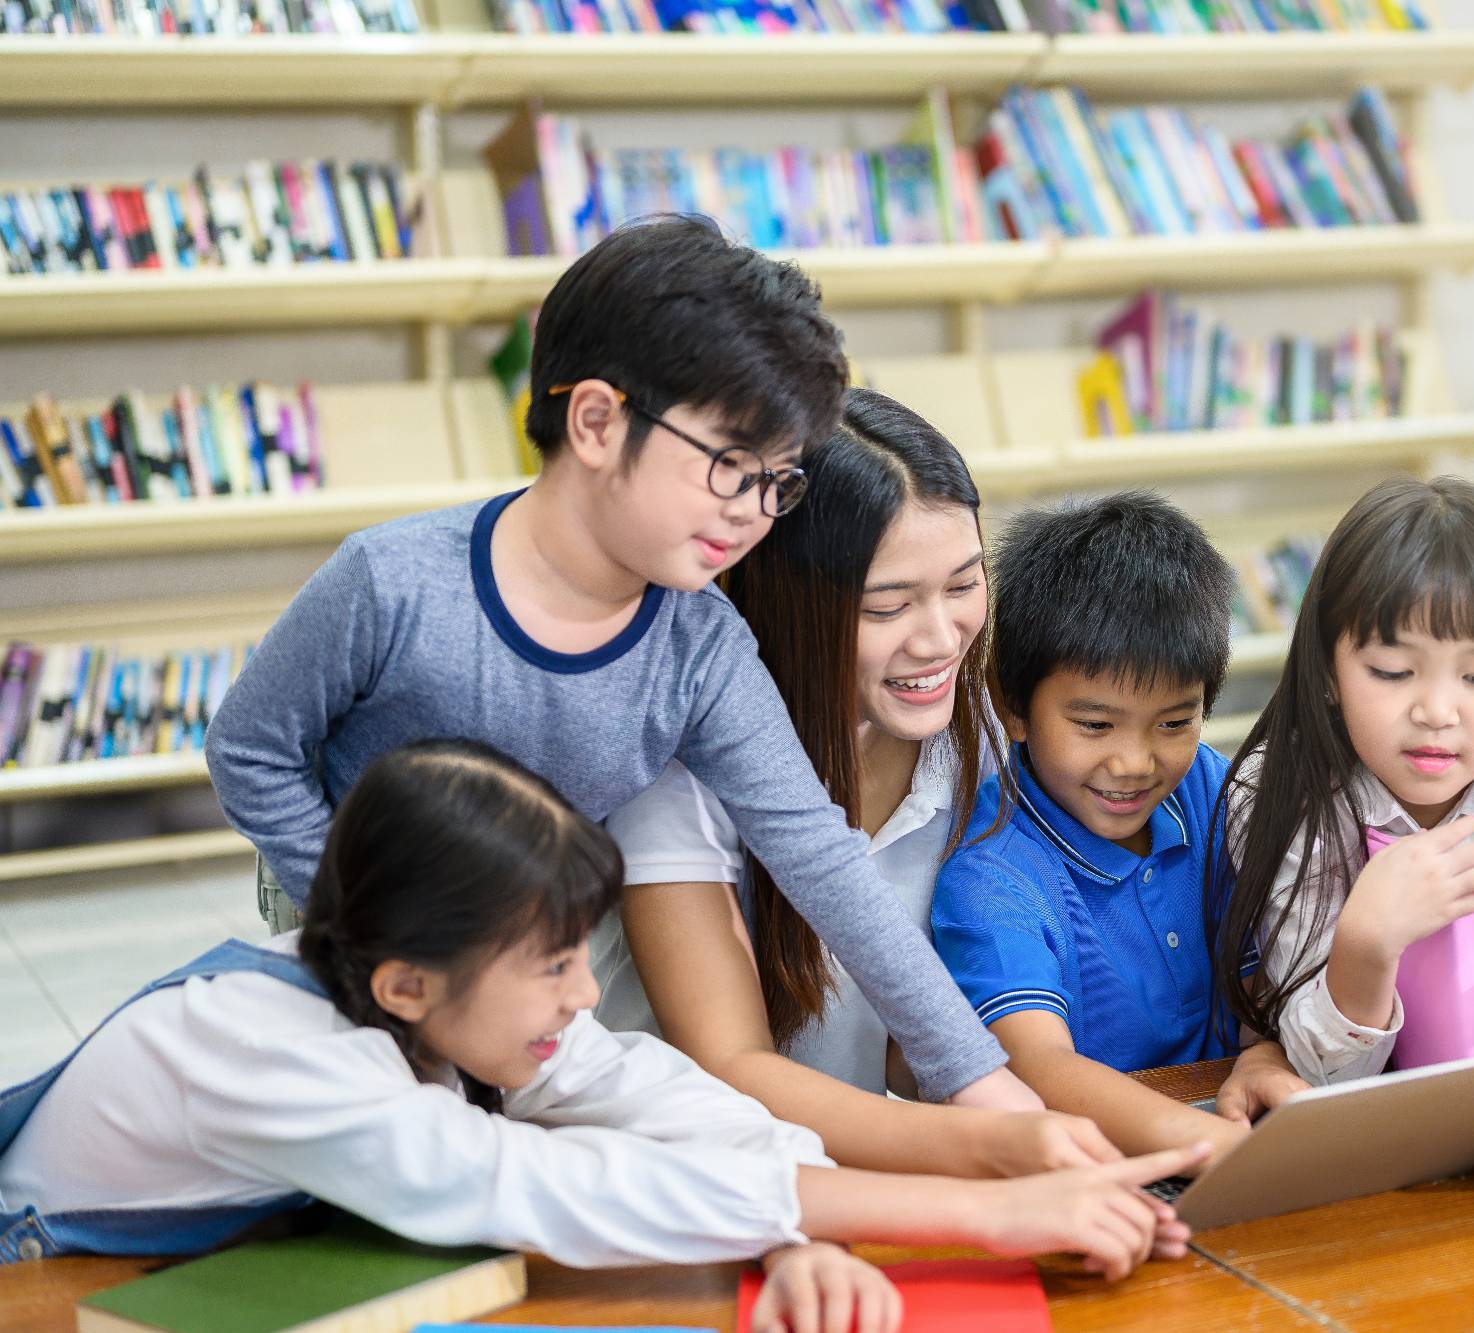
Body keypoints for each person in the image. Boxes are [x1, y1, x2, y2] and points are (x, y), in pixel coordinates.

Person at [204, 218, 1030, 1109]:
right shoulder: (391, 582)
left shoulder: (702, 645)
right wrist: (384, 938)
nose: (755, 513)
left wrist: (976, 1078)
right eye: (729, 465)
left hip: (534, 969)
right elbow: (250, 751)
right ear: (597, 421)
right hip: (359, 958)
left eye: (778, 480)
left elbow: (822, 858)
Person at [0, 740, 1205, 1333]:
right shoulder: (262, 1046)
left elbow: (657, 1096)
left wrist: (797, 1225)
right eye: (554, 963)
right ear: (410, 983)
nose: (584, 995)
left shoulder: (426, 989)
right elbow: (523, 1178)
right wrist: (980, 1214)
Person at [595, 387, 1117, 1177]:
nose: (941, 637)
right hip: (698, 1184)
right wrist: (990, 1138)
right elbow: (730, 1065)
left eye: (964, 583)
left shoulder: (983, 721)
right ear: (788, 604)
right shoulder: (677, 767)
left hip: (893, 1169)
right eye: (889, 605)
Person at [1212, 476, 1474, 1183]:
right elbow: (1319, 1083)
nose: (1436, 710)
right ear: (1328, 670)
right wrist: (1367, 941)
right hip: (1357, 1186)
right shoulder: (1280, 796)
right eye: (1393, 670)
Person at [931, 491, 1298, 1166]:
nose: (1135, 762)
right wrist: (1201, 1139)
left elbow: (1266, 972)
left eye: (1174, 722)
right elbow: (1036, 1066)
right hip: (1107, 1166)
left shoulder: (1213, 788)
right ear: (1013, 707)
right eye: (1096, 725)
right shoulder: (993, 868)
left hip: (1229, 1129)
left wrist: (1262, 1053)